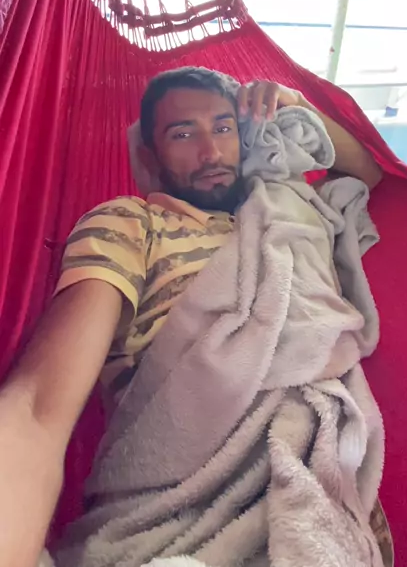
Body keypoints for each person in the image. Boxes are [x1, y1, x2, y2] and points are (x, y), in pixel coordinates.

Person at [0, 68, 382, 567]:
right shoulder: (131, 223)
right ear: (148, 157)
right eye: (182, 134)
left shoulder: (288, 210)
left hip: (308, 466)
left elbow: (366, 174)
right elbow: (37, 408)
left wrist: (294, 103)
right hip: (169, 500)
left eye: (223, 128)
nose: (210, 151)